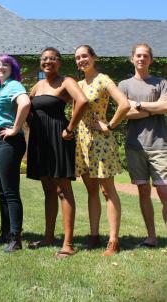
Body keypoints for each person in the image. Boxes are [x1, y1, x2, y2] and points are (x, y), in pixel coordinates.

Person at [26, 47, 88, 258]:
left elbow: (83, 101)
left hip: (58, 138)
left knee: (63, 190)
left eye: (52, 59)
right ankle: (48, 237)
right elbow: (26, 106)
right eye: (44, 59)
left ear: (59, 62)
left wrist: (70, 128)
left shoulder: (66, 81)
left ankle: (68, 244)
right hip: (40, 141)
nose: (48, 62)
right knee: (48, 189)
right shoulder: (38, 85)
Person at [74, 45, 130, 256]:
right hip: (82, 140)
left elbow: (124, 104)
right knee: (91, 190)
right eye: (78, 58)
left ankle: (113, 240)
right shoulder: (78, 84)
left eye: (84, 56)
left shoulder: (103, 79)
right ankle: (94, 235)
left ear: (94, 57)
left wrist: (110, 125)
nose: (81, 60)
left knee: (108, 191)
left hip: (101, 141)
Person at [118, 44, 167, 248]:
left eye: (145, 56)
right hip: (134, 146)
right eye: (138, 55)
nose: (141, 59)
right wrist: (152, 109)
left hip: (159, 144)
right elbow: (123, 113)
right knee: (143, 192)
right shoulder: (124, 85)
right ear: (132, 58)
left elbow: (165, 107)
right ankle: (151, 237)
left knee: (164, 192)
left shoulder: (161, 83)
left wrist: (137, 104)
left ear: (151, 59)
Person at [0, 55, 30, 253]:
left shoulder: (14, 85)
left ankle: (16, 238)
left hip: (8, 141)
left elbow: (25, 104)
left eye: (5, 64)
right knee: (2, 192)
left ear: (12, 68)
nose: (0, 67)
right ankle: (5, 234)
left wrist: (15, 128)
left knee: (11, 192)